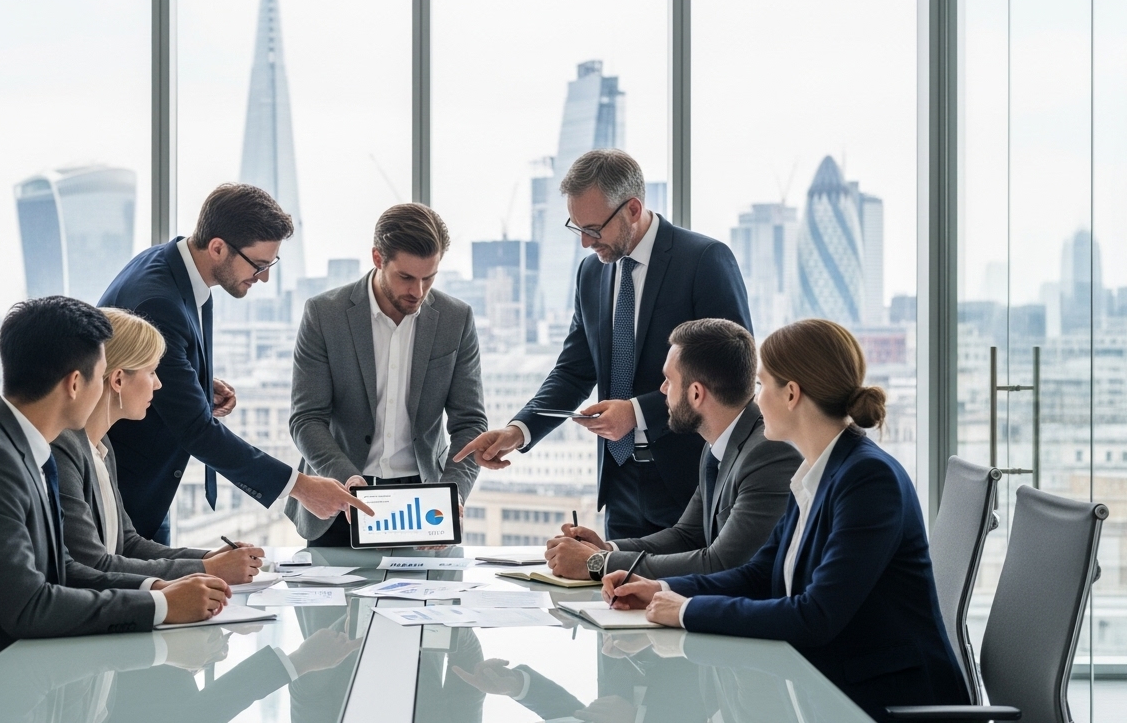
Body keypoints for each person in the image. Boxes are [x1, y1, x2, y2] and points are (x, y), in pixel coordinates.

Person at [603, 319, 968, 721]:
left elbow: (815, 616)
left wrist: (688, 610)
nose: (755, 400)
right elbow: (760, 573)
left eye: (761, 385)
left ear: (791, 394)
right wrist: (661, 586)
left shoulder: (868, 480)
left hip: (885, 703)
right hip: (828, 690)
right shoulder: (816, 471)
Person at [0, 297, 229, 689]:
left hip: (5, 671)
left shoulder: (24, 447)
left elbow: (64, 569)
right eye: (100, 374)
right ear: (76, 384)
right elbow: (29, 606)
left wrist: (160, 589)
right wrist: (161, 605)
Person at [456, 149, 752, 538]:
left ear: (632, 208)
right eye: (576, 228)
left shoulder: (703, 260)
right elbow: (575, 370)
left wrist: (637, 413)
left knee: (678, 595)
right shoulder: (592, 272)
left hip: (692, 483)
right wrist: (518, 431)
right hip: (620, 482)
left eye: (593, 229)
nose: (584, 243)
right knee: (616, 595)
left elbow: (733, 372)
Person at [99, 183, 372, 544]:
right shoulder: (158, 300)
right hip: (126, 488)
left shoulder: (171, 266)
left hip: (145, 486)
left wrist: (194, 380)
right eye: (259, 264)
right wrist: (302, 487)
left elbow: (151, 363)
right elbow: (197, 430)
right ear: (218, 247)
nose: (264, 277)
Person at [288, 203, 485, 545]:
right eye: (406, 277)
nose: (418, 291)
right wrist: (345, 478)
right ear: (378, 258)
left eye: (429, 277)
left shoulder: (456, 319)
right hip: (339, 494)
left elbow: (470, 424)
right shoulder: (324, 314)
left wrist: (454, 493)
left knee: (431, 597)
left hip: (424, 501)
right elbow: (306, 419)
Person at [544, 318, 801, 581]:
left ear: (696, 394)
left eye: (668, 380)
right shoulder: (719, 443)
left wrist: (598, 563)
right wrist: (606, 549)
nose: (662, 389)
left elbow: (722, 563)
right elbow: (687, 536)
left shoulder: (768, 454)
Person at [51, 307, 265, 584]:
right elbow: (92, 563)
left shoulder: (101, 445)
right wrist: (207, 570)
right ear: (118, 379)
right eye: (151, 372)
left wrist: (209, 560)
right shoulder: (64, 450)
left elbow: (128, 544)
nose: (159, 384)